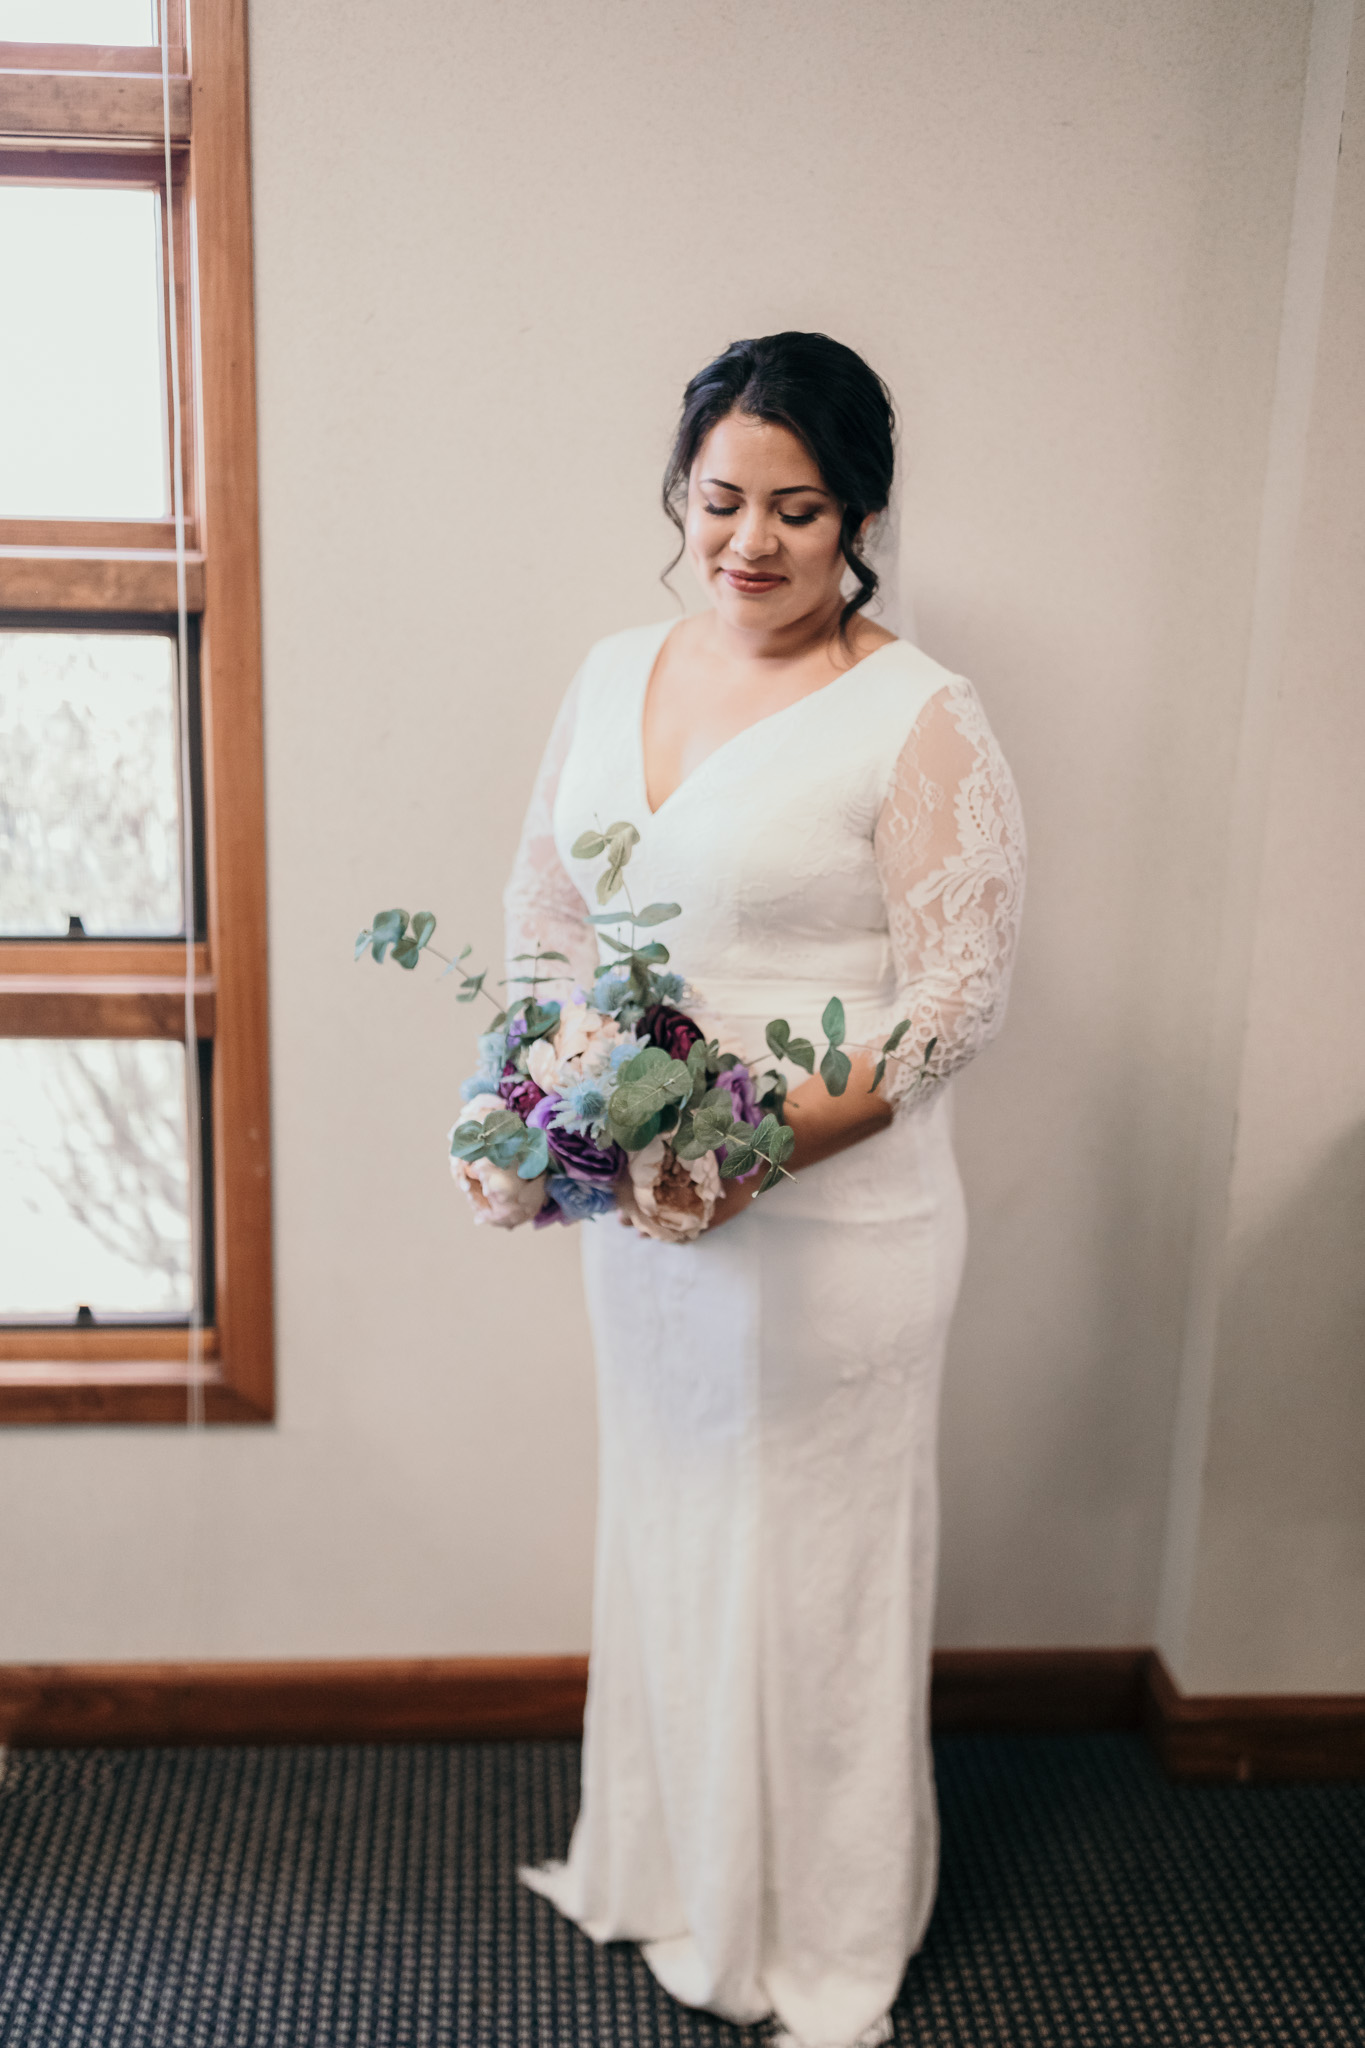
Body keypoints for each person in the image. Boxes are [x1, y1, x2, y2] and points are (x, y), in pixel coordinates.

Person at [504, 332, 1025, 2048]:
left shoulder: (919, 714)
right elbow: (550, 924)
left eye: (795, 508)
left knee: (808, 1577)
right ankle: (670, 1878)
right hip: (644, 1223)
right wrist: (532, 1118)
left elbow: (952, 1007)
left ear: (859, 511)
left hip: (829, 1234)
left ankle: (816, 1938)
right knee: (670, 1532)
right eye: (719, 498)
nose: (749, 541)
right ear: (681, 494)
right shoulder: (608, 671)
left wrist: (738, 1155)